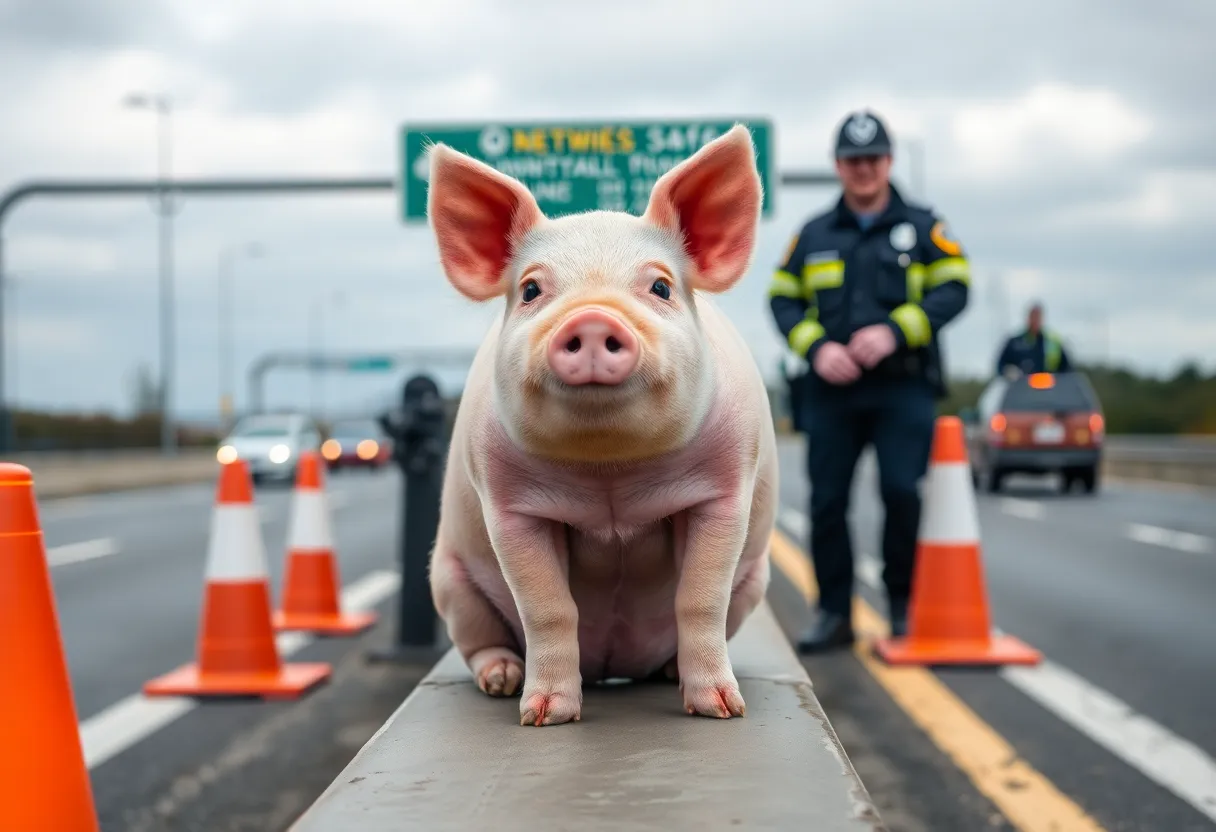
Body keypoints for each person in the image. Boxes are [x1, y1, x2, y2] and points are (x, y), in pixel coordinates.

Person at [767, 109, 971, 653]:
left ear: (889, 161)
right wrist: (817, 347)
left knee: (902, 493)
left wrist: (896, 331)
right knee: (827, 502)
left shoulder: (926, 228)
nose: (863, 169)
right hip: (831, 392)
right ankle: (834, 613)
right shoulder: (813, 234)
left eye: (873, 159)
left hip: (903, 388)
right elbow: (781, 299)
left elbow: (955, 288)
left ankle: (902, 607)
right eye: (853, 160)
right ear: (838, 165)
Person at [995, 302, 1072, 377]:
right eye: (1033, 316)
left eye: (1037, 317)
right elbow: (1000, 366)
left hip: (1049, 387)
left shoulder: (1053, 342)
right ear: (1028, 318)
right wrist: (1008, 371)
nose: (1035, 320)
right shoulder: (1014, 343)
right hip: (1021, 387)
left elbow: (1067, 370)